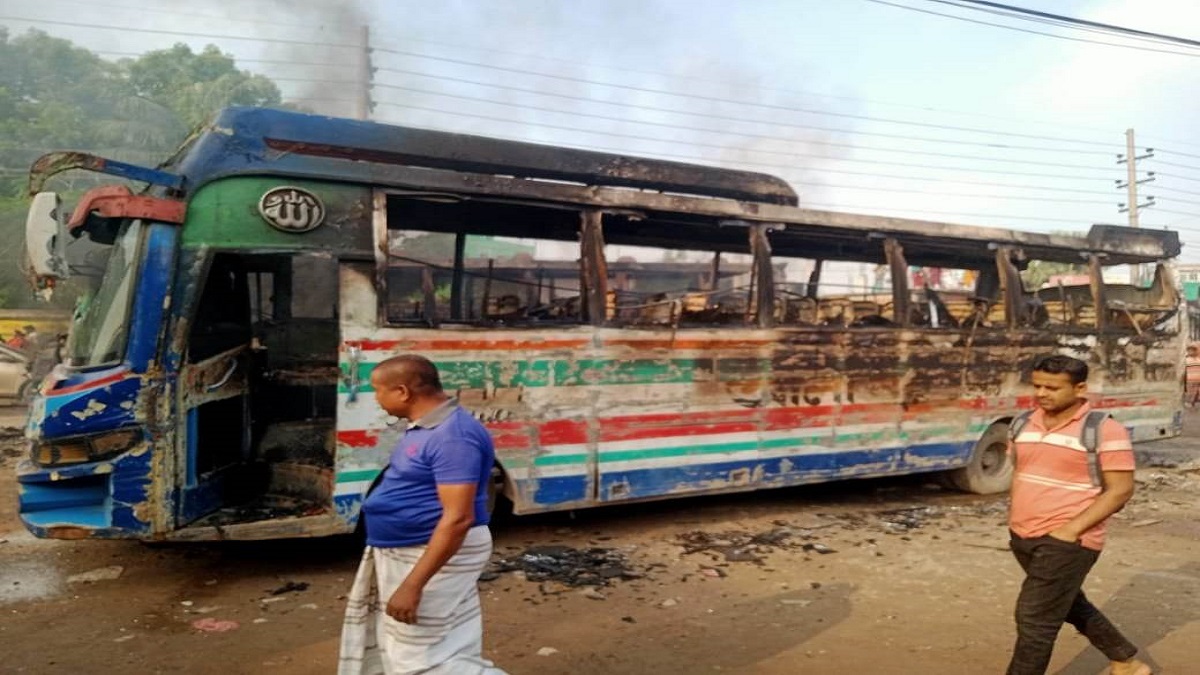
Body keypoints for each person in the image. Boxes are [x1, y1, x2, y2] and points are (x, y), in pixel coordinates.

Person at [338, 354, 506, 675]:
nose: (376, 399)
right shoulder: (427, 427)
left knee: (421, 661)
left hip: (427, 551)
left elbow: (458, 518)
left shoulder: (453, 436)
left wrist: (413, 585)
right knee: (438, 646)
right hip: (413, 547)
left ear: (402, 392)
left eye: (378, 391)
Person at [1005, 354, 1150, 675]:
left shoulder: (1105, 430)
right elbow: (1021, 472)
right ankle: (1126, 662)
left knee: (1034, 617)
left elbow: (1120, 490)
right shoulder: (1021, 424)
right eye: (1038, 385)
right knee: (1067, 602)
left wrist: (1071, 530)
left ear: (1080, 388)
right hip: (1023, 535)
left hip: (1069, 540)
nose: (1042, 393)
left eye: (1053, 388)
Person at [1185, 343, 1200, 408]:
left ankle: (1193, 402)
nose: (1191, 352)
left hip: (1198, 378)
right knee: (1191, 392)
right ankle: (1189, 402)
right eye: (1190, 350)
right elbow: (1184, 370)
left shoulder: (1198, 360)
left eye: (1193, 350)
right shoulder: (1186, 360)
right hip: (1190, 379)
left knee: (1196, 392)